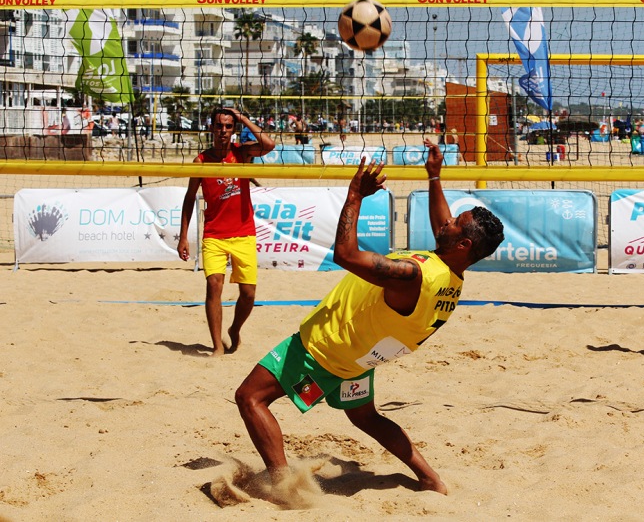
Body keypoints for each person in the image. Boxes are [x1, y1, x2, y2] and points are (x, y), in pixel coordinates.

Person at [235, 139, 504, 500]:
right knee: (366, 417)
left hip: (323, 352)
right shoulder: (450, 277)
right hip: (361, 361)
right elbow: (443, 225)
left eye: (456, 223)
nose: (448, 221)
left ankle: (285, 486)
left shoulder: (413, 275)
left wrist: (355, 195)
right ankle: (430, 479)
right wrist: (434, 177)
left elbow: (345, 255)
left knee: (250, 397)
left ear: (463, 245)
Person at [177, 108, 275, 356]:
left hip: (243, 233)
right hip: (214, 234)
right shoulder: (201, 161)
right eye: (219, 126)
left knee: (248, 294)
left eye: (228, 126)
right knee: (213, 285)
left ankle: (234, 329)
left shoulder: (242, 153)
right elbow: (189, 198)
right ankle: (217, 346)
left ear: (233, 130)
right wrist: (183, 236)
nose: (223, 131)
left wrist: (242, 118)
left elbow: (269, 145)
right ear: (211, 128)